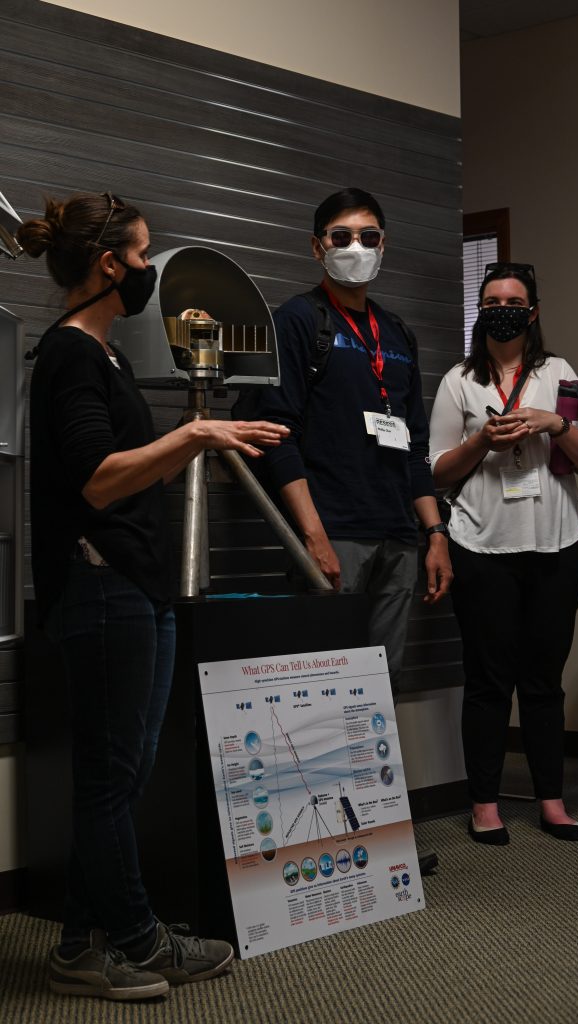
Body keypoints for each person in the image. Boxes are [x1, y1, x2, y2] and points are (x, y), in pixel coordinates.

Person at [18, 192, 288, 1001]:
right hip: (100, 588)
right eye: (142, 255)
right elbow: (98, 482)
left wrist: (204, 437)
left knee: (121, 778)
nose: (148, 269)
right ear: (110, 264)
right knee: (112, 779)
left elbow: (128, 469)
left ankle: (81, 942)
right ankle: (134, 936)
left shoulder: (106, 358)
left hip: (133, 585)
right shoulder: (68, 355)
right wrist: (196, 434)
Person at [429, 262, 578, 845]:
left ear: (531, 311)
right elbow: (437, 470)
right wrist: (481, 439)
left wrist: (555, 424)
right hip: (481, 545)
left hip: (556, 545)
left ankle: (552, 801)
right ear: (479, 309)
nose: (502, 308)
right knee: (488, 682)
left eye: (513, 299)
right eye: (491, 300)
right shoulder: (460, 379)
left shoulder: (559, 373)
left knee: (543, 681)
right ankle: (485, 804)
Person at [247, 187, 452, 696]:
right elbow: (278, 435)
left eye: (368, 236)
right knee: (321, 687)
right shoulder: (298, 320)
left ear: (384, 245)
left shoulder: (397, 333)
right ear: (317, 247)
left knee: (383, 687)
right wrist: (312, 537)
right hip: (334, 534)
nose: (356, 247)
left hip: (399, 539)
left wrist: (435, 535)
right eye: (342, 237)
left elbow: (415, 447)